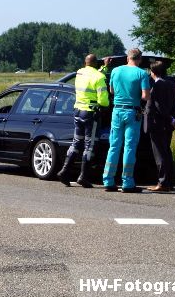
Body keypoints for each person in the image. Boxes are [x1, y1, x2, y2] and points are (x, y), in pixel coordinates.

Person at [56, 54, 109, 188]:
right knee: (89, 145)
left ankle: (64, 171)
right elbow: (103, 100)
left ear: (85, 63)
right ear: (96, 64)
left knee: (76, 142)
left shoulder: (80, 73)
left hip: (78, 111)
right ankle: (83, 176)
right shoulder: (99, 77)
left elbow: (92, 75)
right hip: (91, 113)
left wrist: (104, 67)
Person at [102, 48, 150, 193]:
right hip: (132, 111)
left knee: (114, 145)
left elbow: (111, 91)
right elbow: (145, 97)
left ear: (127, 58)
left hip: (116, 110)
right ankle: (127, 182)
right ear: (140, 59)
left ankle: (108, 180)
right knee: (129, 146)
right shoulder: (142, 73)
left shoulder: (116, 71)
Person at [144, 61, 175, 192]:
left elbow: (159, 107)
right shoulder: (171, 84)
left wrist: (169, 118)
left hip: (157, 123)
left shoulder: (158, 85)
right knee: (166, 152)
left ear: (153, 72)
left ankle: (163, 183)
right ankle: (169, 182)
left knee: (160, 154)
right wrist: (173, 117)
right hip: (168, 124)